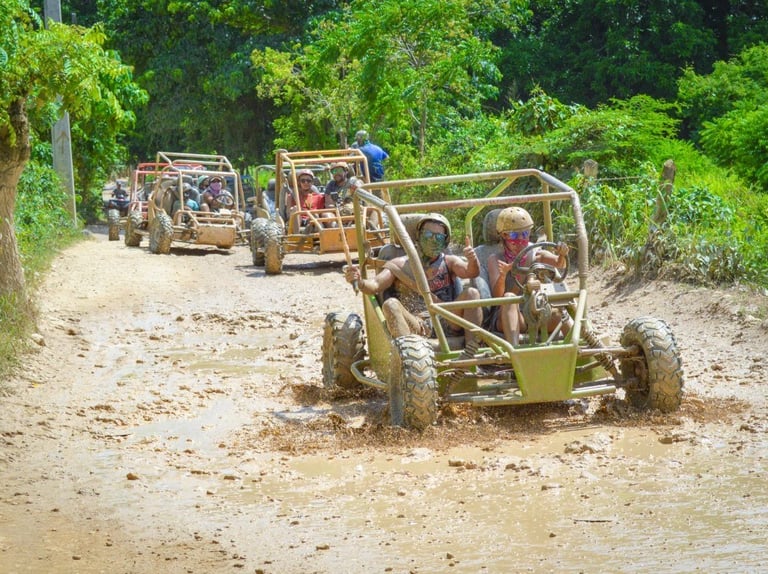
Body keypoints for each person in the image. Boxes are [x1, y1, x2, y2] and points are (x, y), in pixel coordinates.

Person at [344, 214, 483, 346]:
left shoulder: (449, 261)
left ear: (445, 241)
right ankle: (406, 356)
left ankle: (472, 351)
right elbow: (375, 285)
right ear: (419, 236)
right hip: (417, 323)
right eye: (428, 235)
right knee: (391, 304)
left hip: (447, 318)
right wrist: (360, 281)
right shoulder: (400, 264)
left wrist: (472, 259)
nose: (433, 240)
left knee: (472, 293)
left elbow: (471, 272)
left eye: (439, 237)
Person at [487, 207, 570, 346]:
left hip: (536, 312)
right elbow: (497, 297)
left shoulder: (536, 253)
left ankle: (581, 345)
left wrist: (562, 253)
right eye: (514, 235)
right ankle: (515, 352)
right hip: (509, 315)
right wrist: (503, 275)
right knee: (509, 297)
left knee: (560, 310)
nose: (521, 239)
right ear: (504, 235)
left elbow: (559, 263)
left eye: (525, 233)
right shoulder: (495, 259)